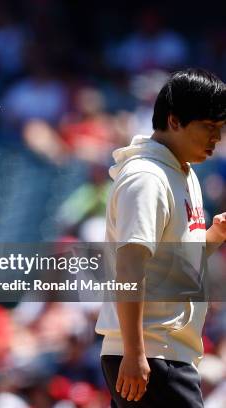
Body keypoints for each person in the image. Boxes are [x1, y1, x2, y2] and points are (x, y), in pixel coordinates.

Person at [96, 68, 226, 407]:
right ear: (174, 120)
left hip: (163, 353)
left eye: (220, 129)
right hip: (151, 354)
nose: (216, 138)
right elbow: (129, 269)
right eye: (209, 127)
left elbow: (174, 266)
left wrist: (215, 235)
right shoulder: (146, 178)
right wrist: (134, 353)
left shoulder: (183, 172)